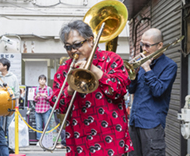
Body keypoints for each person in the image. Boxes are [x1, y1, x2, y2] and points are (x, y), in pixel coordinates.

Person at [50, 20, 133, 156]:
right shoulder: (65, 68)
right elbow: (56, 106)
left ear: (91, 41)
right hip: (79, 139)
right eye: (68, 47)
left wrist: (94, 70)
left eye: (77, 45)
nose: (73, 51)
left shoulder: (112, 59)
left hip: (111, 139)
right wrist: (69, 89)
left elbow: (120, 90)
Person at [128, 28, 177, 156]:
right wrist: (133, 75)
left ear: (160, 45)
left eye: (147, 45)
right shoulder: (142, 63)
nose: (143, 49)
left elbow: (158, 91)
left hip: (152, 125)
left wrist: (147, 69)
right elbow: (131, 90)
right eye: (142, 45)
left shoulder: (170, 66)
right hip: (134, 122)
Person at [0, 57, 19, 153]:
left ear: (5, 66)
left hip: (11, 105)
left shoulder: (13, 77)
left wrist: (16, 107)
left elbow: (17, 93)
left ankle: (10, 146)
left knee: (10, 126)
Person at [34, 75, 52, 144]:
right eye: (41, 79)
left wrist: (46, 96)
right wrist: (36, 97)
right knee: (38, 127)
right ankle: (39, 141)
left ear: (45, 81)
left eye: (44, 80)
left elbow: (51, 98)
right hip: (38, 109)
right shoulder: (36, 89)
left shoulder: (48, 89)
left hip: (46, 109)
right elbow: (34, 99)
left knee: (47, 126)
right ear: (38, 81)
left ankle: (47, 141)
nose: (42, 81)